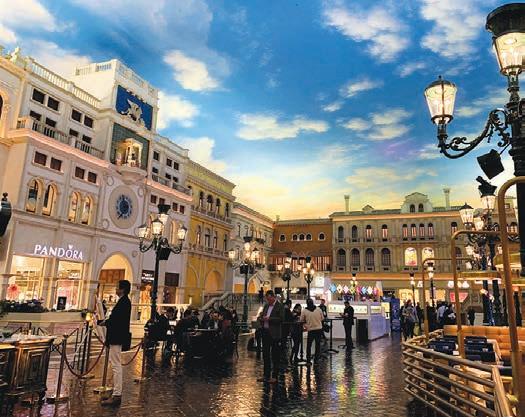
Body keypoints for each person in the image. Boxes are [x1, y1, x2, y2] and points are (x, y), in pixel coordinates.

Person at [101, 280, 131, 407]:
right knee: (115, 364)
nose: (115, 289)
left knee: (116, 365)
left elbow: (117, 320)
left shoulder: (124, 303)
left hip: (116, 337)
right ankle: (115, 391)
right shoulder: (124, 301)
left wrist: (106, 322)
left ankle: (117, 394)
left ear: (122, 289)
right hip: (117, 336)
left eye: (117, 287)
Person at [257, 290, 284, 383]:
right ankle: (266, 375)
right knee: (265, 355)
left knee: (275, 355)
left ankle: (275, 376)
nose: (268, 301)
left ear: (273, 297)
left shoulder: (280, 306)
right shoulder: (266, 306)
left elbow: (281, 319)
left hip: (275, 334)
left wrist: (269, 319)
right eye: (267, 299)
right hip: (265, 332)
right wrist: (261, 317)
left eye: (269, 299)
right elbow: (262, 315)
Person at [300, 298, 324, 364]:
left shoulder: (304, 311)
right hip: (319, 329)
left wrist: (306, 325)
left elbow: (301, 320)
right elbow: (322, 318)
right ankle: (316, 360)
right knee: (317, 345)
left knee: (309, 345)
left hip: (311, 330)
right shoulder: (318, 309)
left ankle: (308, 360)